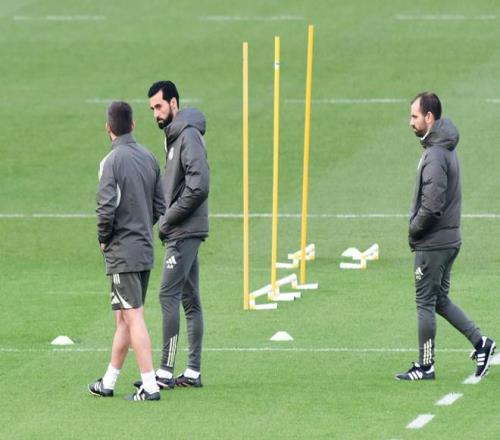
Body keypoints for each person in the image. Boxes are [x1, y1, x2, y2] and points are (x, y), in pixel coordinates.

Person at [396, 92, 496, 381]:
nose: (410, 122)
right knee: (439, 299)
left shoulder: (436, 154)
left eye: (414, 116)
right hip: (448, 239)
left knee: (425, 302)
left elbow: (432, 206)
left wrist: (414, 229)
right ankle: (481, 343)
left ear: (429, 117)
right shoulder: (444, 147)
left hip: (433, 242)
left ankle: (425, 366)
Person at [88, 101, 166, 400]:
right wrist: (142, 226)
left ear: (108, 128)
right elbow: (160, 205)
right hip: (144, 249)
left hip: (123, 252)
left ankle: (150, 386)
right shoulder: (149, 157)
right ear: (133, 125)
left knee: (133, 316)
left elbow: (105, 208)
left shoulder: (111, 162)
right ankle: (108, 382)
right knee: (123, 316)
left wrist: (104, 238)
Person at [143, 80, 209, 389]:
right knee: (189, 299)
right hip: (183, 229)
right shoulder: (175, 136)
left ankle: (165, 373)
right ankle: (192, 372)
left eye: (159, 106)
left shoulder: (188, 136)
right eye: (152, 109)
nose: (155, 113)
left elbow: (199, 186)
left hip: (184, 231)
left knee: (167, 295)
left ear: (173, 103)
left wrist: (168, 220)